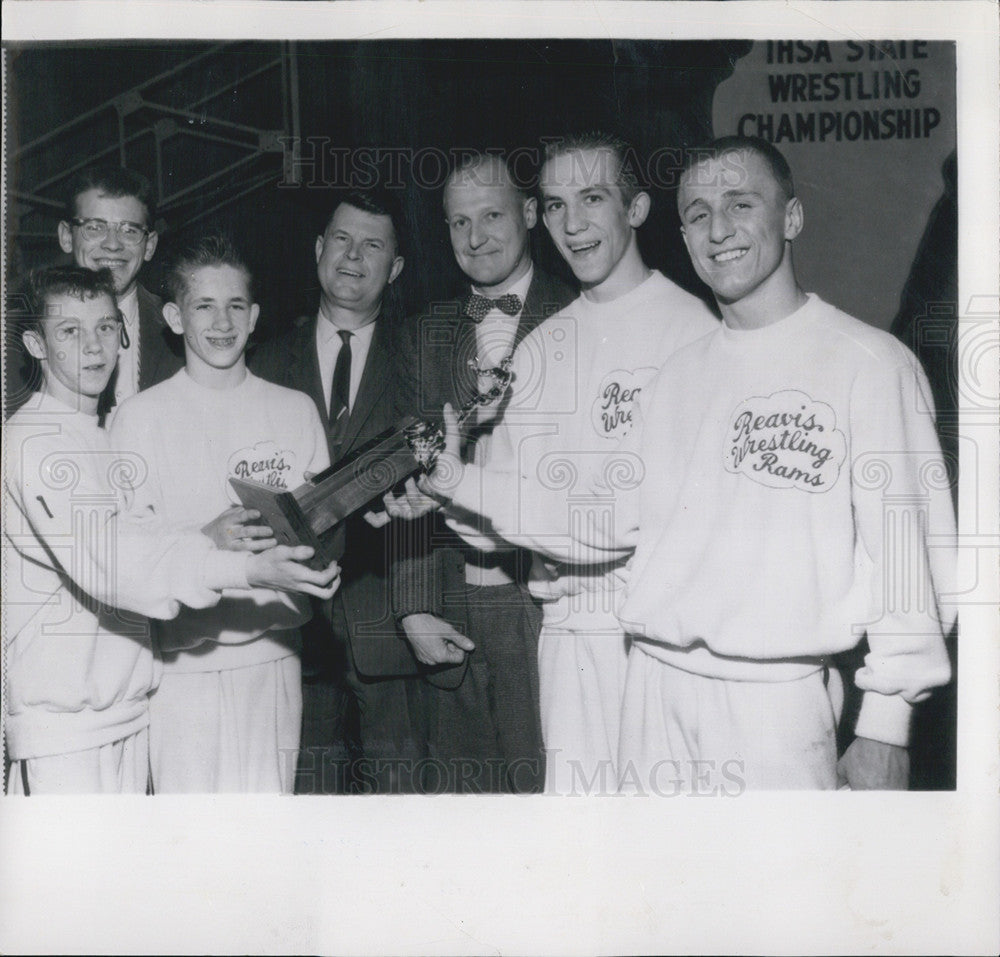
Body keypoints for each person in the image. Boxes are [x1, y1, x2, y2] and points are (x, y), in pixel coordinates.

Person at [452, 135, 955, 791]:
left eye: (740, 204)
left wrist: (886, 725)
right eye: (696, 214)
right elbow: (605, 520)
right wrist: (456, 481)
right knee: (643, 890)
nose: (718, 230)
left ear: (792, 217)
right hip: (651, 686)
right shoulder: (677, 372)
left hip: (772, 700)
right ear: (681, 233)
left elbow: (912, 562)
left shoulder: (869, 363)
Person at [411, 133, 718, 793]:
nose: (572, 224)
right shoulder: (541, 347)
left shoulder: (689, 331)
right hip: (562, 632)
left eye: (592, 198)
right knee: (577, 853)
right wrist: (447, 496)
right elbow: (509, 513)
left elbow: (624, 522)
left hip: (653, 642)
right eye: (554, 204)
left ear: (634, 209)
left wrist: (466, 485)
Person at [3, 265, 339, 794]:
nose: (93, 347)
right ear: (35, 344)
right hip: (65, 728)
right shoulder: (36, 442)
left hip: (125, 712)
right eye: (69, 331)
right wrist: (244, 565)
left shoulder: (93, 433)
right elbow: (113, 562)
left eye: (106, 328)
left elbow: (139, 545)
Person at [109, 235, 334, 793]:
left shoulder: (294, 409)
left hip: (275, 657)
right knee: (192, 849)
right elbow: (127, 550)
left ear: (255, 316)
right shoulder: (139, 417)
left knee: (267, 839)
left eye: (235, 305)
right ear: (173, 317)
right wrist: (203, 537)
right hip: (185, 667)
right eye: (203, 305)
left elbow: (326, 530)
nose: (222, 321)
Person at [390, 152, 576, 792]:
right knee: (463, 807)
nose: (476, 238)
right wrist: (413, 607)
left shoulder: (583, 314)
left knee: (551, 793)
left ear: (529, 214)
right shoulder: (423, 334)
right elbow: (407, 476)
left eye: (493, 215)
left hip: (551, 598)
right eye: (459, 222)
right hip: (454, 601)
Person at [251, 190, 428, 794]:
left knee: (403, 814)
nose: (353, 256)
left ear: (396, 268)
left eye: (373, 245)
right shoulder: (264, 363)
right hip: (293, 636)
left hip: (393, 628)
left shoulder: (421, 358)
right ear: (319, 250)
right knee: (302, 810)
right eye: (342, 240)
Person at [5, 166, 184, 418]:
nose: (112, 244)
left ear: (150, 245)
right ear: (67, 236)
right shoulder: (10, 337)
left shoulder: (184, 330)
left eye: (129, 230)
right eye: (94, 227)